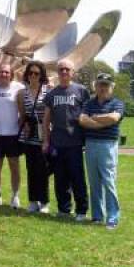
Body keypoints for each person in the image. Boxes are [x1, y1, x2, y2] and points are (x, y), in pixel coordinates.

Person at [42, 58, 90, 221]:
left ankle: (81, 210)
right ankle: (64, 209)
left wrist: (86, 139)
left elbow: (87, 116)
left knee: (77, 178)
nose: (64, 72)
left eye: (67, 69)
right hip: (57, 143)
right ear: (58, 72)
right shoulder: (51, 94)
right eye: (61, 69)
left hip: (75, 143)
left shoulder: (81, 91)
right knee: (60, 178)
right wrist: (46, 141)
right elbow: (46, 119)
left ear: (72, 72)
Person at [79, 73, 125, 230]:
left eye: (106, 85)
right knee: (94, 182)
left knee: (109, 181)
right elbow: (82, 120)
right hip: (91, 144)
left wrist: (95, 117)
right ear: (95, 86)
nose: (103, 87)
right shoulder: (88, 103)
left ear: (112, 87)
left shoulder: (117, 103)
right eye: (100, 84)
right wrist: (102, 122)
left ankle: (113, 217)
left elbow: (114, 118)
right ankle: (97, 216)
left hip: (108, 145)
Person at [0, 63, 24, 208]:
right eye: (1, 72)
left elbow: (25, 106)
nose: (4, 74)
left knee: (14, 166)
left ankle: (15, 195)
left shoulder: (19, 88)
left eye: (7, 72)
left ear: (11, 75)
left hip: (13, 134)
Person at [17, 61, 51, 214]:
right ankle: (32, 200)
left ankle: (44, 202)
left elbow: (51, 115)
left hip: (44, 135)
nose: (33, 76)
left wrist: (47, 138)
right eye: (30, 73)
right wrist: (24, 125)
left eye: (36, 73)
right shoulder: (21, 94)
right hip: (29, 136)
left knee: (43, 170)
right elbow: (23, 115)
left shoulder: (48, 91)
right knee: (30, 168)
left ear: (41, 75)